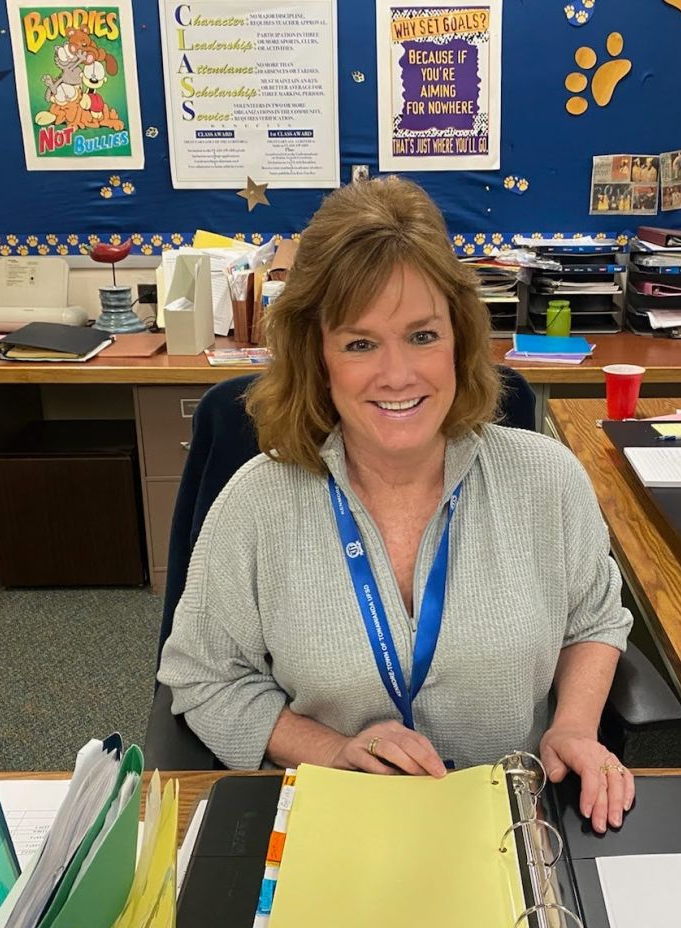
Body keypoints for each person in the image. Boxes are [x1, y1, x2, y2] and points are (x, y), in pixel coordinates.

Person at [159, 177, 635, 831]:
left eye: (421, 335)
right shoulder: (256, 506)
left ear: (460, 338)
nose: (397, 374)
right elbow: (202, 675)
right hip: (337, 821)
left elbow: (594, 622)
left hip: (506, 827)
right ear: (317, 354)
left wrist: (575, 726)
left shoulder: (547, 480)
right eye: (360, 343)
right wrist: (332, 750)